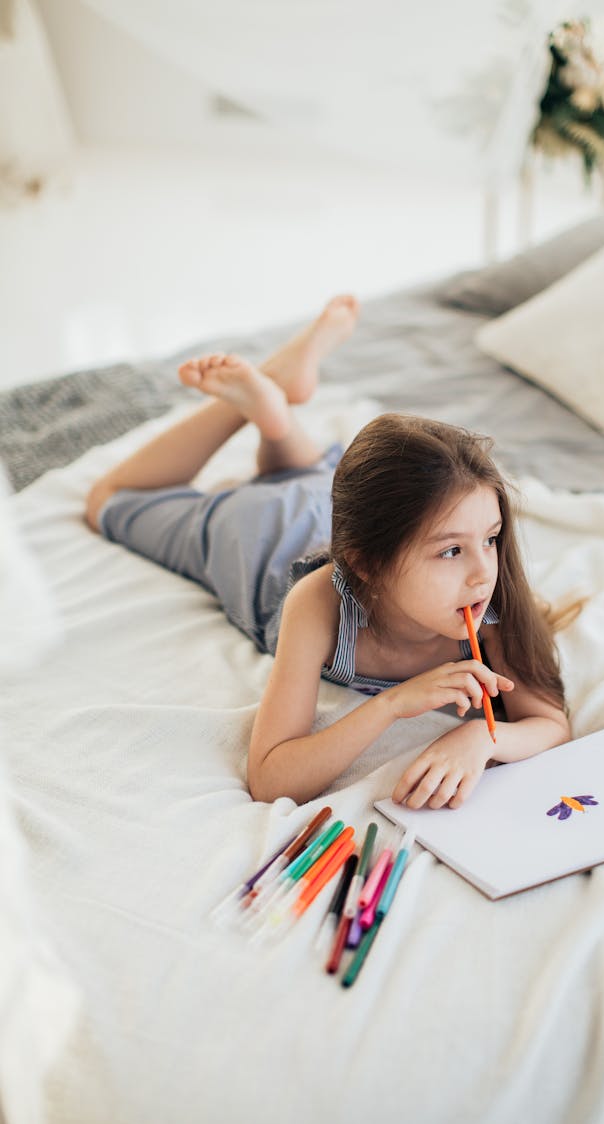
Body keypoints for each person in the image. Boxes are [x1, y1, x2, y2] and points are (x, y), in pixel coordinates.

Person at [86, 294, 571, 810]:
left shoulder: (484, 607)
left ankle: (276, 414)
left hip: (334, 505)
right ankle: (248, 400)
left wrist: (482, 737)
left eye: (491, 539)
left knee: (311, 481)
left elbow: (551, 724)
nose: (483, 574)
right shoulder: (317, 603)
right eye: (451, 552)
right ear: (365, 565)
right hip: (260, 537)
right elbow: (271, 779)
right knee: (108, 501)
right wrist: (392, 706)